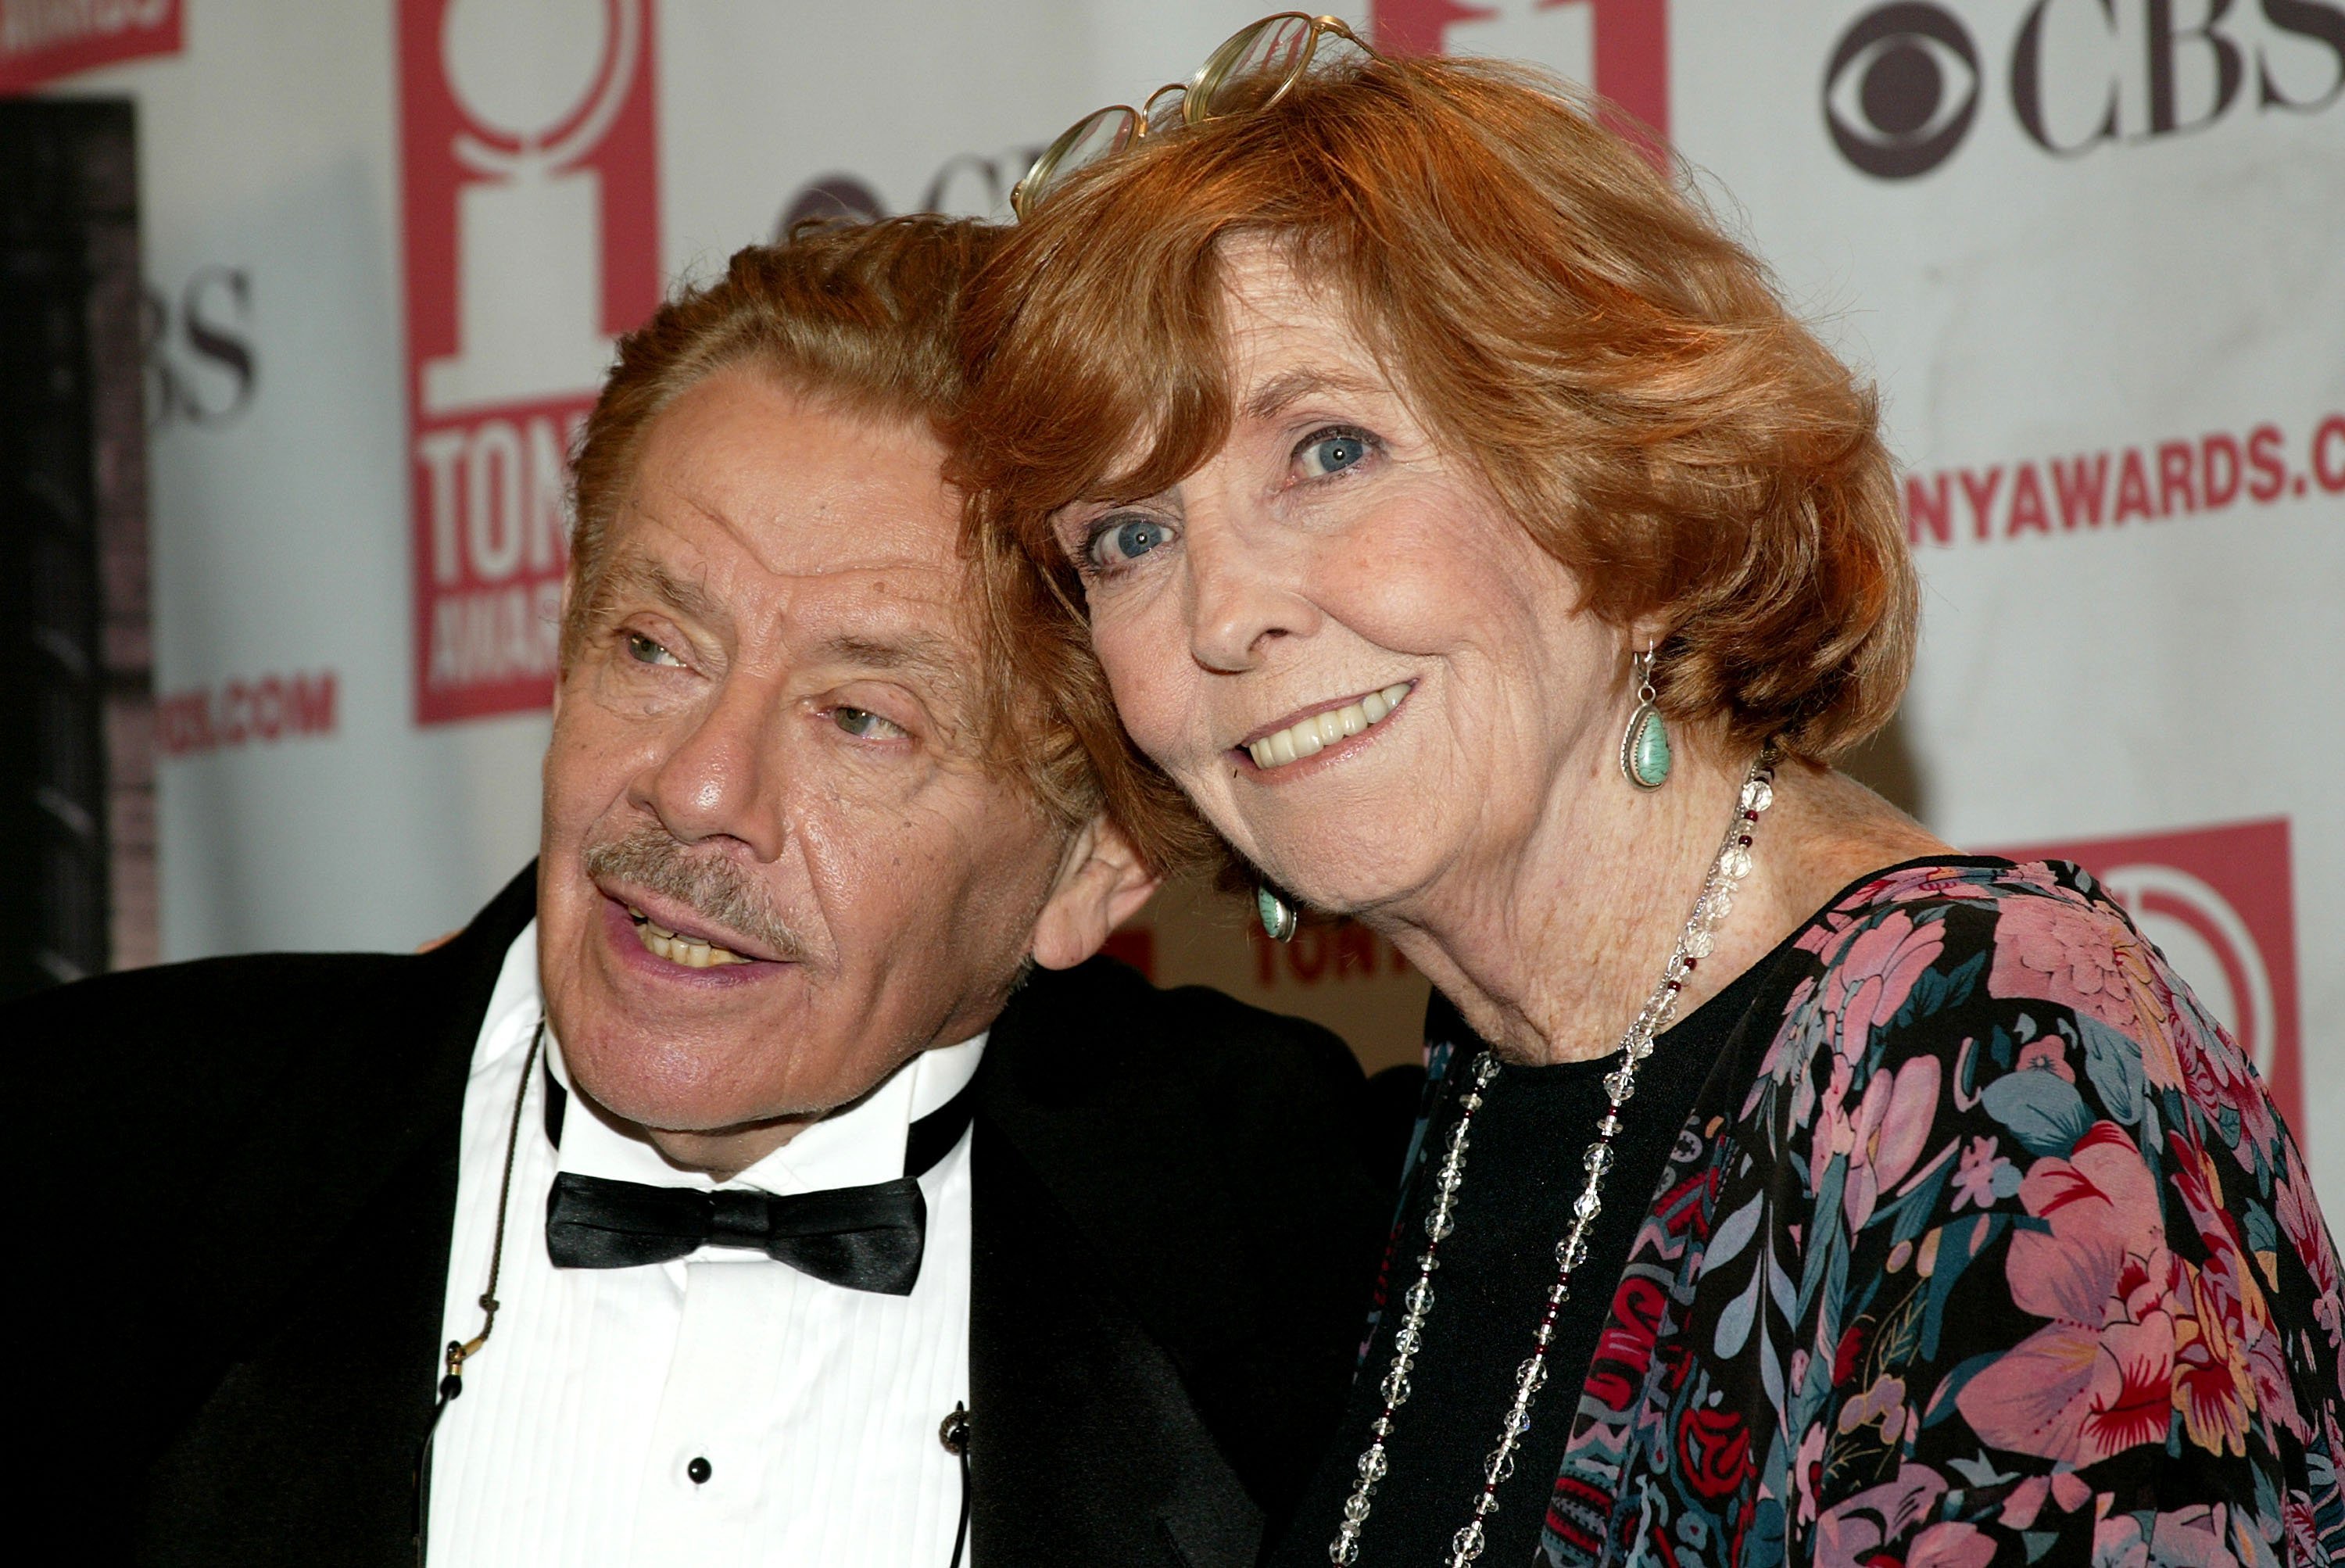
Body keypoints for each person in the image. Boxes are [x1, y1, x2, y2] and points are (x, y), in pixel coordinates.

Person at [956, 19, 2345, 1568]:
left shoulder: (1987, 1051)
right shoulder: (1489, 1095)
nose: (1223, 616)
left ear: (1610, 472)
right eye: (1128, 539)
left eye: (1328, 449)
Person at [5, 216, 1394, 1568]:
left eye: (861, 717)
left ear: (1093, 864)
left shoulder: (1329, 1253)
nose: (699, 789)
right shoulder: (78, 1165)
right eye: (657, 646)